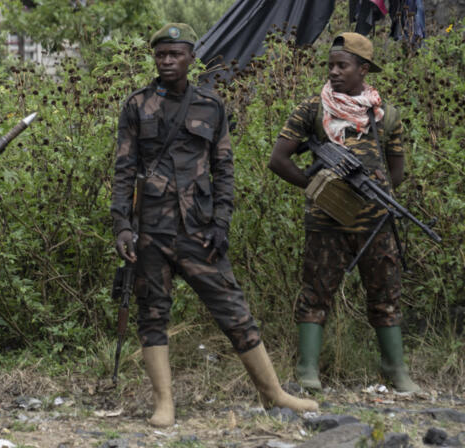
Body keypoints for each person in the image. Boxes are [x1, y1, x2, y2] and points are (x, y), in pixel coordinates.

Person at [111, 23, 318, 427]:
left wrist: (222, 221)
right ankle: (164, 404)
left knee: (233, 310)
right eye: (161, 54)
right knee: (152, 314)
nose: (167, 61)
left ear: (191, 57)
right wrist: (121, 225)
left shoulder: (211, 104)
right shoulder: (136, 105)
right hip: (150, 231)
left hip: (199, 231)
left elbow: (224, 168)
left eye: (175, 54)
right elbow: (123, 169)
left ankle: (273, 394)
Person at [268, 32, 420, 393]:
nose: (334, 72)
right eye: (331, 65)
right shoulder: (313, 108)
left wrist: (375, 188)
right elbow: (279, 159)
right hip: (327, 220)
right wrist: (318, 187)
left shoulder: (386, 114)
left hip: (375, 222)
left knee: (386, 293)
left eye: (343, 65)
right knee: (316, 292)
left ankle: (395, 370)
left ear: (363, 69)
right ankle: (307, 371)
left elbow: (397, 171)